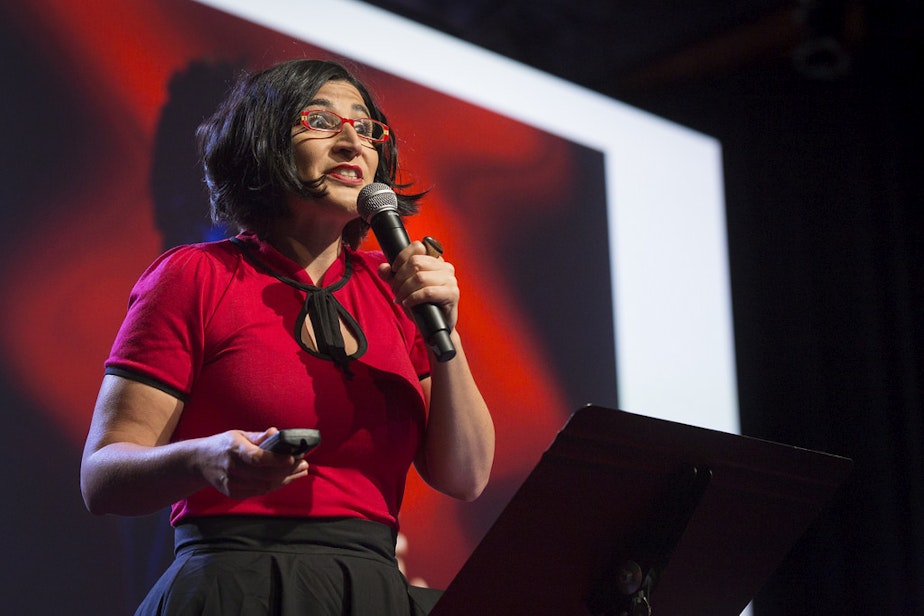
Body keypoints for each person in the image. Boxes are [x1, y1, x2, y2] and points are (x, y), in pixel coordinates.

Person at [80, 58, 495, 615]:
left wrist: (444, 321)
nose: (353, 141)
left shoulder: (393, 285)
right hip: (234, 584)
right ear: (265, 142)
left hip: (370, 592)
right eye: (321, 120)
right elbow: (102, 477)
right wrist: (204, 459)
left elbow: (466, 476)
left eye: (367, 127)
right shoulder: (196, 276)